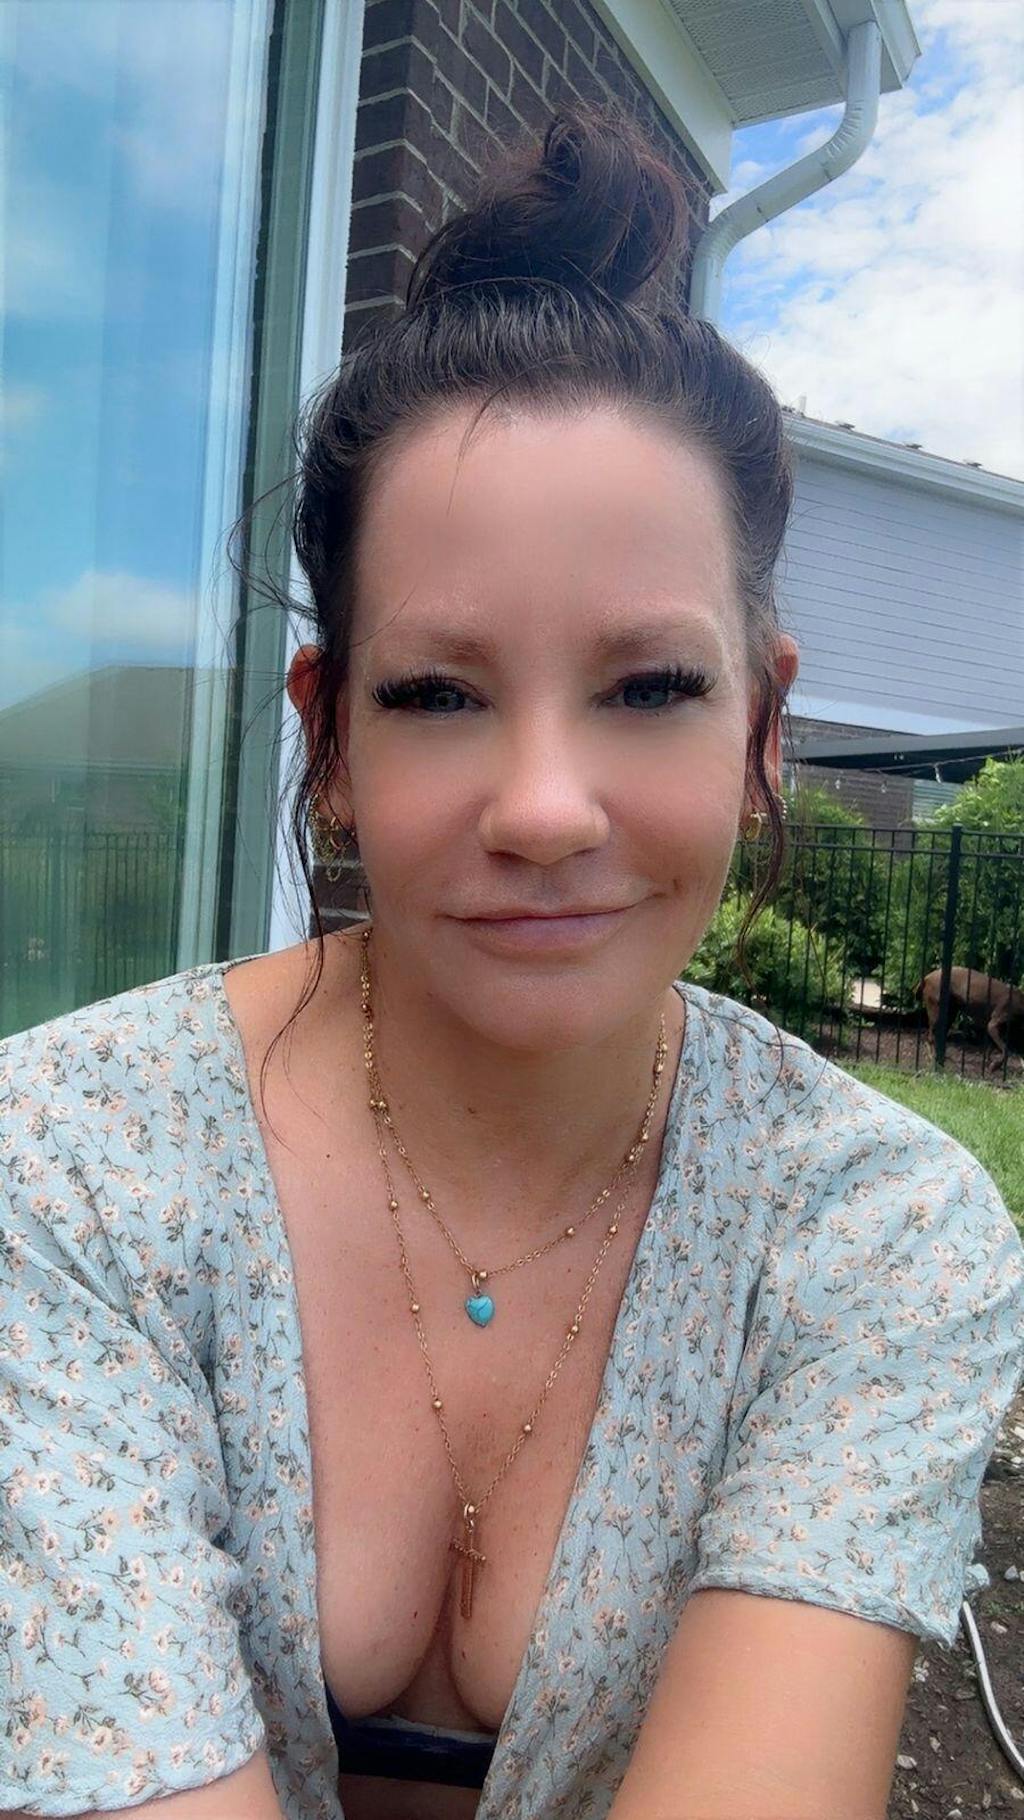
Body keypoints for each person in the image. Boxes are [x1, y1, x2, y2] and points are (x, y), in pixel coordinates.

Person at [1, 100, 1021, 1820]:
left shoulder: (874, 1241)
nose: (545, 808)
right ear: (331, 740)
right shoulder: (66, 1172)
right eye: (437, 692)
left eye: (649, 686)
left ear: (763, 728)